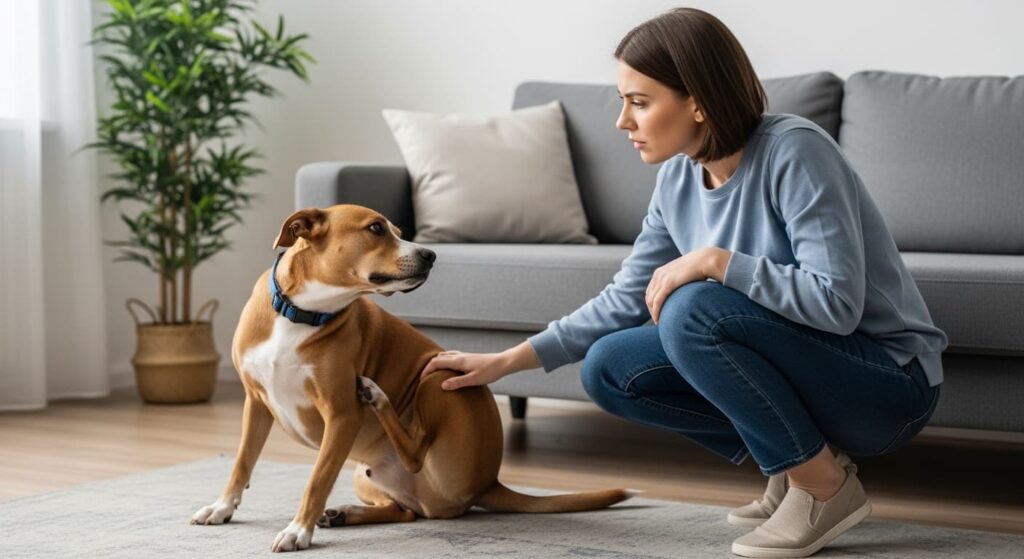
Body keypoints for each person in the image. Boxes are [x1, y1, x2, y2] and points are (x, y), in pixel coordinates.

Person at [419, 7, 948, 558]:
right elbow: (626, 297)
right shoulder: (677, 176)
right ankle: (801, 461)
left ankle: (824, 488)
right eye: (623, 101)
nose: (623, 121)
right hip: (818, 375)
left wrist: (718, 261)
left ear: (697, 100)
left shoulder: (796, 150)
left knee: (694, 308)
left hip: (887, 387)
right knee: (609, 367)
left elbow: (836, 305)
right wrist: (506, 362)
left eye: (639, 102)